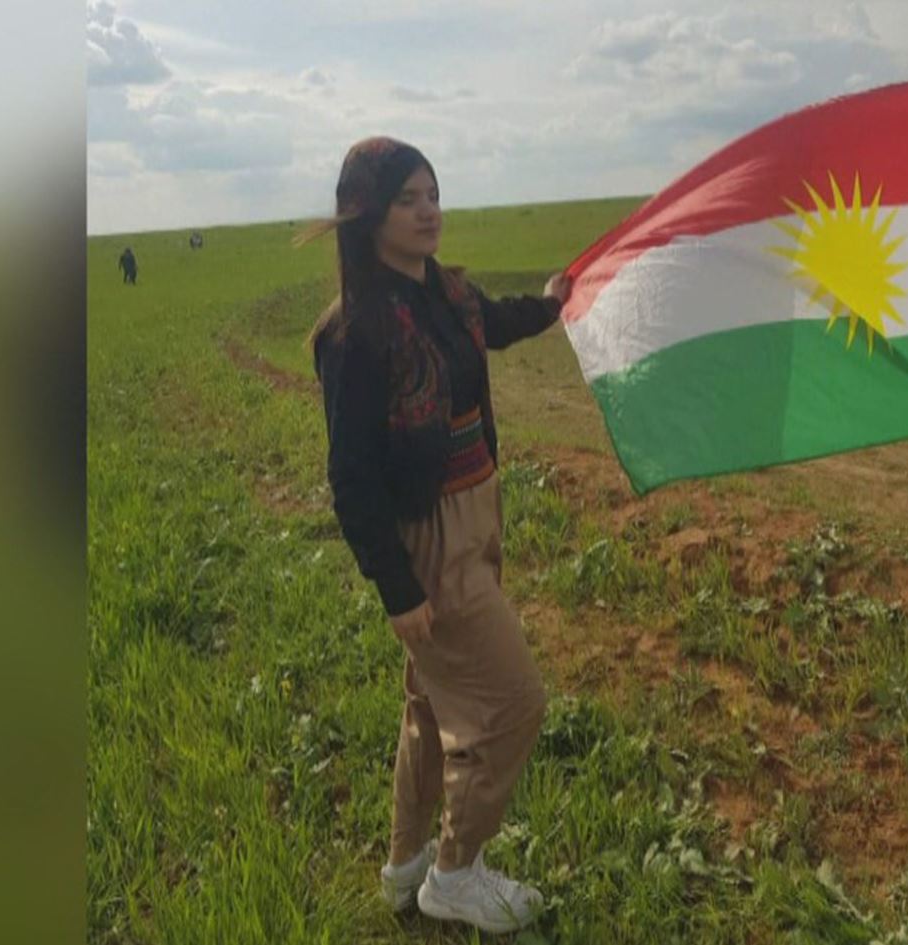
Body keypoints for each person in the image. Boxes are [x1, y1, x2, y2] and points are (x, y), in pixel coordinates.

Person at [297, 136, 569, 935]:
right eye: (408, 199)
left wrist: (553, 302)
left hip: (479, 509)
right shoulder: (354, 334)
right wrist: (397, 586)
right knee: (513, 703)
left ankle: (407, 862)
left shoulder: (447, 296)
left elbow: (496, 324)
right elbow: (350, 476)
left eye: (434, 195)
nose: (429, 211)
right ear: (368, 214)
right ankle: (456, 871)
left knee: (426, 704)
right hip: (429, 536)